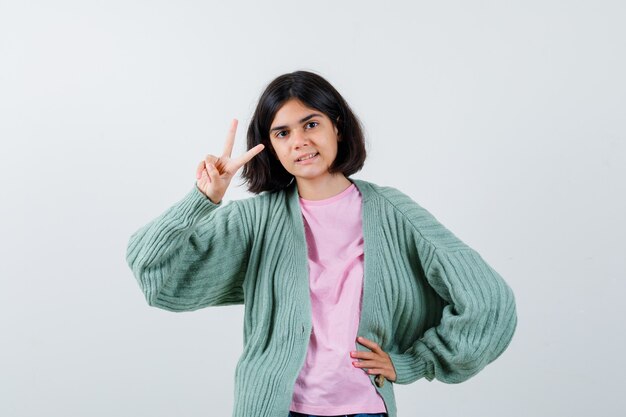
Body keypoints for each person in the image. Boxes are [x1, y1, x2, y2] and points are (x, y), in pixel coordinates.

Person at [126, 70, 517, 417]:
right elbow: (155, 274)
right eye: (282, 133)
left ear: (338, 128)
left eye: (310, 124)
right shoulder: (255, 219)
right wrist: (204, 197)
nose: (299, 141)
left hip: (364, 408)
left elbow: (488, 301)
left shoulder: (391, 212)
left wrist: (415, 362)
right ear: (271, 147)